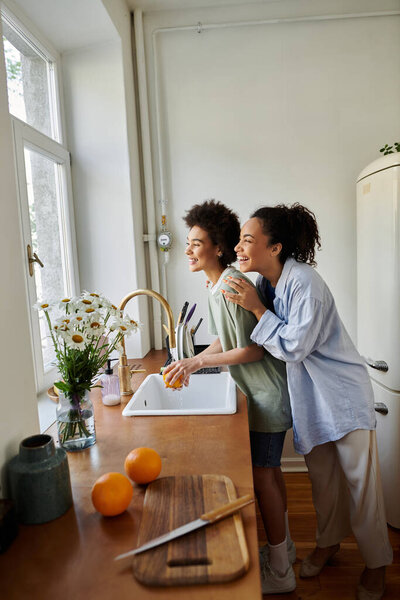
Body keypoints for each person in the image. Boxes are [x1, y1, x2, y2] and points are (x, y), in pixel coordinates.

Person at [223, 203, 393, 600]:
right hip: (310, 398)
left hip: (342, 394)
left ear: (276, 246)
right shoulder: (268, 282)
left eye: (248, 239)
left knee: (360, 484)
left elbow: (294, 346)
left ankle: (377, 564)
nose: (239, 247)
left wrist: (255, 307)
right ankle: (329, 543)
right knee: (324, 482)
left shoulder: (305, 285)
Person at [163, 200, 295, 594]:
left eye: (195, 243)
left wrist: (195, 366)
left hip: (265, 393)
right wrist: (195, 359)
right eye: (188, 243)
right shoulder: (219, 285)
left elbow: (254, 350)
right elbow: (229, 339)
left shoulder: (233, 286)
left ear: (217, 248)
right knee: (270, 475)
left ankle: (281, 571)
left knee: (263, 479)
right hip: (259, 393)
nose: (188, 250)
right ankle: (283, 551)